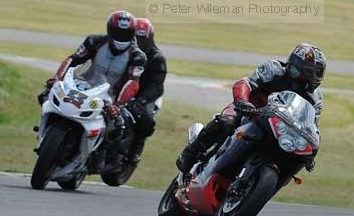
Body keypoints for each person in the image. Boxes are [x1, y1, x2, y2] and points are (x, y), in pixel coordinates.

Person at [176, 43, 326, 174]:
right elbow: (245, 83)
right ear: (293, 65)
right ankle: (191, 151)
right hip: (249, 112)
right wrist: (242, 102)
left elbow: (312, 127)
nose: (310, 76)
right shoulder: (274, 69)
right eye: (306, 71)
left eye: (314, 73)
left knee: (292, 158)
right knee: (225, 121)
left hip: (279, 129)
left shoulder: (316, 99)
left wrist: (312, 152)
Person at [38, 11, 146, 127]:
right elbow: (73, 59)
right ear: (109, 30)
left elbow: (132, 82)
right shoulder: (94, 41)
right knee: (44, 95)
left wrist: (117, 105)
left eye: (125, 34)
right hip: (84, 87)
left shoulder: (138, 56)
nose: (121, 37)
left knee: (118, 127)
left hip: (110, 98)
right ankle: (44, 131)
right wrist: (57, 78)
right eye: (117, 33)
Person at [124, 17, 168, 165]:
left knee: (146, 121)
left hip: (146, 95)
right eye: (134, 39)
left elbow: (157, 85)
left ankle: (136, 150)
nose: (138, 43)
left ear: (149, 39)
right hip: (123, 90)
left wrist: (141, 101)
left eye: (141, 39)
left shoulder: (157, 58)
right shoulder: (124, 51)